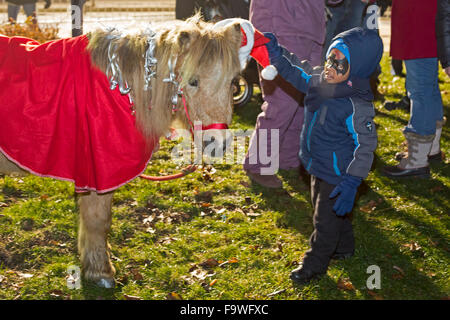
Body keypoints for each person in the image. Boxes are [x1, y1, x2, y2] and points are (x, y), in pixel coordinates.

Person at [248, 26, 382, 284]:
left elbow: (365, 147)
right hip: (315, 164)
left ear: (358, 68)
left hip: (338, 173)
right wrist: (274, 51)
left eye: (340, 64)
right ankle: (344, 246)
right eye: (330, 58)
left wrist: (352, 181)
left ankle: (314, 265)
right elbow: (294, 69)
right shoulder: (319, 80)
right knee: (328, 212)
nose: (331, 66)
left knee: (323, 222)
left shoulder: (357, 105)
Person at [243, 0, 325, 188]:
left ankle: (288, 159)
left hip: (311, 28)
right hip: (282, 26)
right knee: (282, 101)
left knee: (302, 98)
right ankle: (258, 165)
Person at [383, 0, 444, 179]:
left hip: (418, 22)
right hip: (421, 19)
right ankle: (431, 149)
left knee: (420, 90)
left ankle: (417, 160)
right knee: (428, 87)